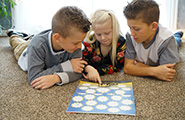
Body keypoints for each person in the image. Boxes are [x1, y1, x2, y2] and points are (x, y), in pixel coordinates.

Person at [7, 6, 91, 90]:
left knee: (31, 40)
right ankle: (14, 34)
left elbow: (78, 71)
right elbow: (34, 78)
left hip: (42, 42)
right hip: (25, 52)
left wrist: (56, 78)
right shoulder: (37, 46)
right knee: (17, 43)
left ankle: (27, 36)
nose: (80, 46)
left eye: (82, 41)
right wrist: (66, 66)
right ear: (57, 38)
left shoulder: (75, 45)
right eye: (76, 43)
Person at [123, 0, 183, 82]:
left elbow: (165, 73)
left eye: (136, 29)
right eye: (129, 27)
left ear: (153, 26)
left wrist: (138, 66)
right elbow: (127, 68)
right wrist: (154, 71)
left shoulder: (167, 39)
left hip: (171, 42)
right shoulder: (130, 35)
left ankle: (177, 36)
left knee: (176, 42)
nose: (132, 33)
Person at [82, 9, 126, 84]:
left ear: (115, 29)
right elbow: (82, 61)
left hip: (112, 80)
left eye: (107, 33)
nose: (103, 38)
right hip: (90, 79)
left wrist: (96, 71)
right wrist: (88, 69)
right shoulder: (91, 41)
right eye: (98, 34)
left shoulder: (121, 43)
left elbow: (117, 66)